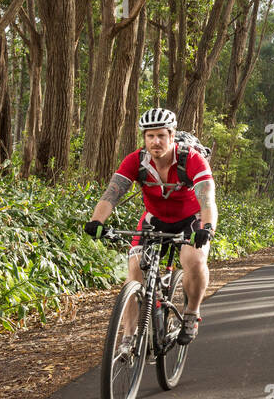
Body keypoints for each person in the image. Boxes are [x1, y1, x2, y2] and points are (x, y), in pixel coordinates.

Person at [84, 107, 217, 350]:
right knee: (134, 270)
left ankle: (191, 314)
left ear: (171, 135)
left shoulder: (192, 160)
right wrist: (97, 221)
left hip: (190, 219)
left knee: (194, 260)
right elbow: (111, 194)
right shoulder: (136, 160)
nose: (155, 141)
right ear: (144, 138)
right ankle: (128, 337)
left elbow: (208, 201)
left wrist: (206, 228)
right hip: (154, 219)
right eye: (150, 136)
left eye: (161, 136)